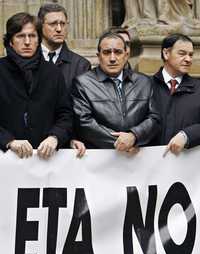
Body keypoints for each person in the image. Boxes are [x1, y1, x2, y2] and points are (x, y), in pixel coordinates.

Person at [0, 12, 73, 159]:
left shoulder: (53, 73)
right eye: (20, 36)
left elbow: (66, 115)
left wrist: (55, 137)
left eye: (32, 36)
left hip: (45, 161)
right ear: (10, 41)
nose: (27, 42)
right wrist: (8, 141)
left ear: (39, 39)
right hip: (6, 160)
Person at [72, 31, 160, 151]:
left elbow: (154, 118)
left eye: (118, 52)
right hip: (101, 158)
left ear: (126, 55)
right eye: (107, 52)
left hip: (137, 159)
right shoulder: (83, 83)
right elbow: (84, 123)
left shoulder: (144, 82)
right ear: (99, 56)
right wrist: (122, 143)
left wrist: (134, 136)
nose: (112, 58)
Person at [38, 3, 91, 157]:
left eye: (63, 24)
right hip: (31, 142)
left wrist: (72, 137)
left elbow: (80, 109)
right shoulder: (28, 60)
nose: (59, 29)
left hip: (64, 144)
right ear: (41, 26)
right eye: (53, 24)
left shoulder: (81, 65)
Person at [152, 33, 200, 155]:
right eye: (182, 53)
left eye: (190, 55)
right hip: (149, 165)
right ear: (166, 53)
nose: (188, 59)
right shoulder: (145, 86)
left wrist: (187, 135)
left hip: (188, 166)